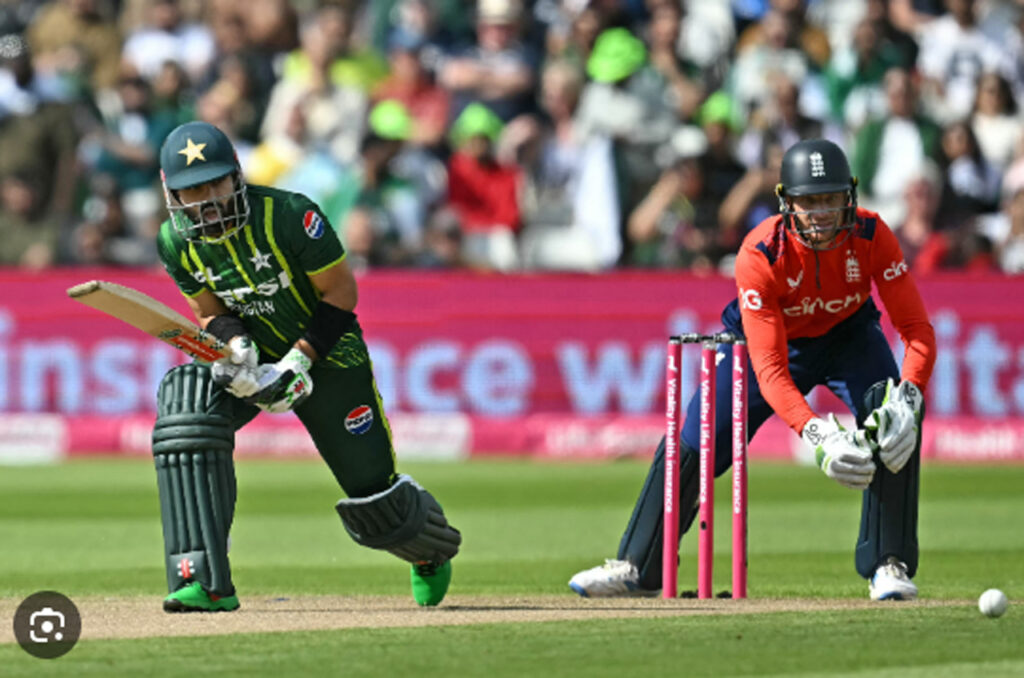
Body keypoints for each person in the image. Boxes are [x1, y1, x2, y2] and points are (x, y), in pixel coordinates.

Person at [569, 139, 936, 601]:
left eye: (830, 199)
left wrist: (910, 395)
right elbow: (770, 369)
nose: (821, 214)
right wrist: (817, 435)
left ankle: (888, 564)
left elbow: (917, 329)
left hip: (850, 338)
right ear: (787, 203)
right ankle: (636, 567)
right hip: (762, 347)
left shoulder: (871, 234)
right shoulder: (760, 252)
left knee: (893, 428)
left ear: (850, 196)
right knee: (699, 438)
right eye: (809, 202)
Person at [151, 120, 461, 613]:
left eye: (214, 183)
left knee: (373, 497)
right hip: (256, 356)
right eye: (191, 191)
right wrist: (239, 350)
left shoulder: (290, 216)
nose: (206, 200)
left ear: (237, 177)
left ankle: (427, 551)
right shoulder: (175, 242)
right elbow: (210, 312)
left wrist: (298, 362)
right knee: (186, 409)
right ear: (172, 194)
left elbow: (341, 294)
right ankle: (205, 581)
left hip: (329, 356)